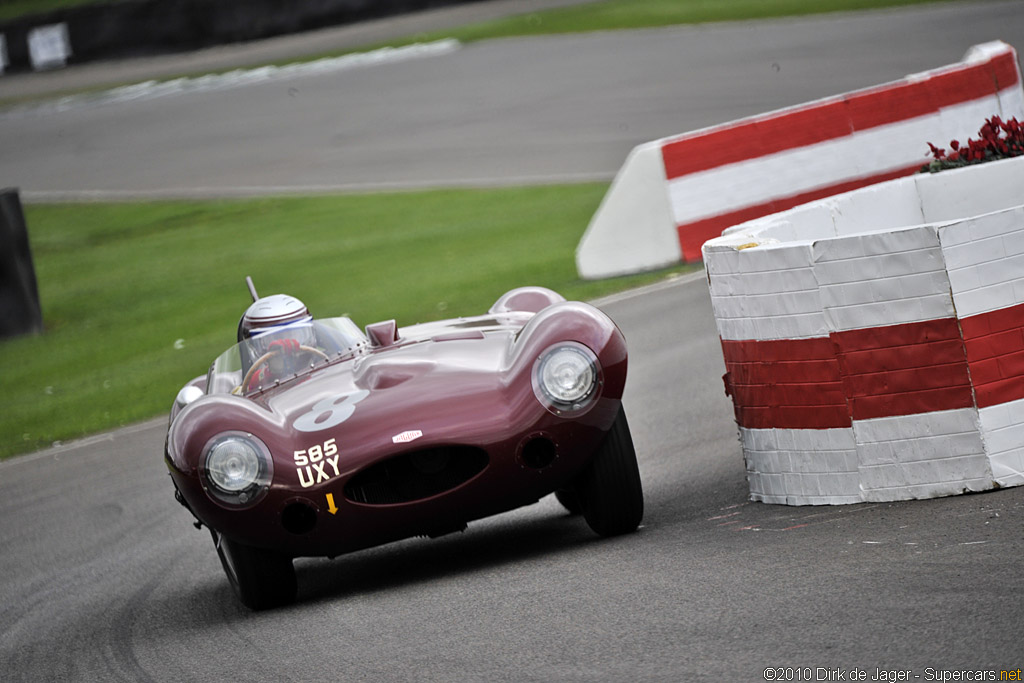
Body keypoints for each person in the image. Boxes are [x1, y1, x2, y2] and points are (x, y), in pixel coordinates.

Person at [239, 293, 319, 390]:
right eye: (276, 337)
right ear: (255, 346)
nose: (286, 342)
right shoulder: (256, 379)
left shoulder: (324, 360)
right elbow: (252, 386)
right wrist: (274, 371)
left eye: (292, 333)